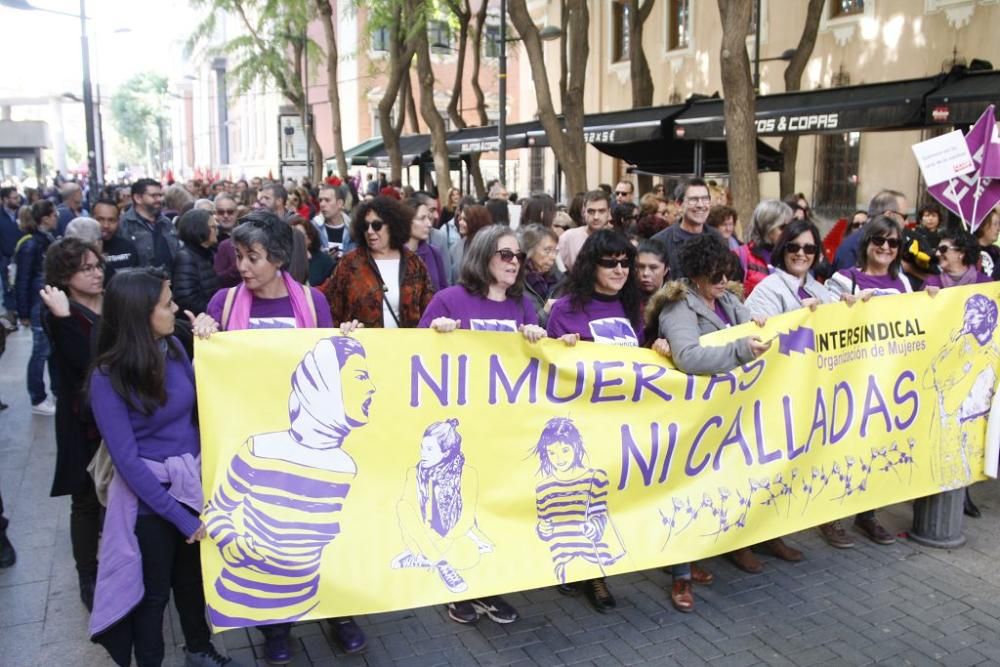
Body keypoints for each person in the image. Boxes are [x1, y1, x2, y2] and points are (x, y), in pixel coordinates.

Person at [87, 268, 238, 667]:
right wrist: (180, 517)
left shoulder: (173, 347)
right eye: (167, 302)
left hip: (190, 489)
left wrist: (210, 336)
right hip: (150, 504)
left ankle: (200, 651)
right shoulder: (107, 377)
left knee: (191, 583)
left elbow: (199, 411)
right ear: (142, 313)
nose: (175, 308)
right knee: (152, 597)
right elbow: (128, 463)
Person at [417, 225, 545, 626]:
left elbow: (543, 362)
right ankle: (460, 591)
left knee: (496, 510)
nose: (514, 262)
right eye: (505, 254)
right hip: (462, 430)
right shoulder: (449, 300)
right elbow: (413, 357)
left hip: (506, 431)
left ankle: (490, 586)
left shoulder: (523, 306)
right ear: (484, 255)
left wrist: (539, 338)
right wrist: (436, 336)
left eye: (518, 256)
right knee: (460, 511)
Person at [645, 233, 771, 611]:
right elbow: (689, 357)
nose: (721, 281)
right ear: (697, 274)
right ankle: (680, 574)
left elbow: (750, 326)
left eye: (726, 274)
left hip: (728, 412)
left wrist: (762, 324)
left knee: (722, 484)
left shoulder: (728, 299)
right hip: (692, 419)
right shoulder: (678, 308)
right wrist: (740, 350)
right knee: (687, 490)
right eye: (714, 275)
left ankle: (719, 548)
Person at [544, 229, 642, 613]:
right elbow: (550, 371)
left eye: (625, 262)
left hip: (621, 423)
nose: (620, 269)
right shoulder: (566, 309)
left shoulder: (632, 305)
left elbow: (644, 358)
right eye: (610, 262)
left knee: (605, 502)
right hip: (580, 425)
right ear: (591, 266)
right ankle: (590, 573)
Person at [824, 214, 910, 545]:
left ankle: (867, 515)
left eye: (893, 243)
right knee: (841, 448)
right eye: (879, 240)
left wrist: (932, 299)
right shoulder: (845, 280)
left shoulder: (903, 284)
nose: (886, 247)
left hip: (886, 379)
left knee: (876, 449)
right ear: (867, 243)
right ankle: (830, 516)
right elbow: (825, 330)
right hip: (849, 380)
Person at [38, 238, 105, 610]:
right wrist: (64, 319)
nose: (96, 273)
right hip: (82, 419)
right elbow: (83, 362)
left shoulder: (111, 301)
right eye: (86, 268)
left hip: (119, 412)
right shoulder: (57, 311)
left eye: (97, 265)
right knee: (86, 499)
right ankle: (88, 574)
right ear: (66, 275)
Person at [325, 196, 433, 328]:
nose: (370, 231)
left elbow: (428, 310)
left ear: (392, 226)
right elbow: (331, 309)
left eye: (377, 225)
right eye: (366, 226)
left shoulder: (414, 263)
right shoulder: (350, 263)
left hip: (405, 346)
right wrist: (344, 327)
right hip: (362, 346)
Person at [16, 200, 58, 415]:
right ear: (45, 218)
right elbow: (22, 279)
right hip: (37, 303)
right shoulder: (32, 244)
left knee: (48, 350)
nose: (57, 218)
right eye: (54, 215)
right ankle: (37, 397)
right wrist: (22, 312)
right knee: (40, 352)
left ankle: (52, 392)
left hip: (44, 302)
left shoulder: (45, 240)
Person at [650, 178, 725, 279]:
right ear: (679, 204)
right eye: (693, 200)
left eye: (705, 199)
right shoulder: (660, 242)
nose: (701, 205)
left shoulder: (717, 237)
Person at [833, 189, 908, 271]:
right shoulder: (856, 245)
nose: (907, 222)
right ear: (888, 215)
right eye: (904, 217)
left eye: (892, 243)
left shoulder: (862, 238)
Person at [120, 178, 180, 275]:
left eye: (160, 195)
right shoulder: (125, 224)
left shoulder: (166, 223)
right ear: (138, 198)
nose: (159, 199)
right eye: (154, 196)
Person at [736, 199, 793, 297]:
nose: (788, 232)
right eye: (782, 227)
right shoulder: (740, 256)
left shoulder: (792, 255)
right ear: (767, 227)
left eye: (790, 227)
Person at [172, 209, 221, 316]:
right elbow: (186, 299)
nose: (217, 230)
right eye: (213, 227)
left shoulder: (207, 254)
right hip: (197, 322)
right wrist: (214, 311)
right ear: (200, 229)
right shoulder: (186, 257)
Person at [557, 190, 612, 271]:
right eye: (591, 211)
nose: (596, 217)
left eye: (601, 211)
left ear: (609, 212)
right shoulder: (568, 238)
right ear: (584, 212)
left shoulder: (617, 239)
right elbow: (558, 268)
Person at [519, 224, 562, 327]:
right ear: (530, 250)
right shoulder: (515, 282)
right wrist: (546, 311)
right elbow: (521, 325)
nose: (553, 256)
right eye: (547, 250)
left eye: (555, 251)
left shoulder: (560, 279)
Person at [93, 197, 140, 283]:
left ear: (118, 221)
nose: (106, 225)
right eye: (100, 219)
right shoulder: (82, 251)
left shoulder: (128, 248)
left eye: (111, 220)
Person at [407, 197, 448, 292]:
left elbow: (443, 289)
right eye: (422, 218)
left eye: (429, 218)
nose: (429, 224)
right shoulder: (395, 255)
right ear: (407, 220)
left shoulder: (434, 253)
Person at [449, 202, 492, 284]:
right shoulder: (456, 247)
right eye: (460, 219)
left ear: (476, 221)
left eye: (465, 220)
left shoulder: (490, 246)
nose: (460, 223)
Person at [290, 215, 335, 287]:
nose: (294, 238)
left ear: (310, 239)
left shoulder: (325, 262)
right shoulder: (284, 260)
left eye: (299, 235)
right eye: (291, 234)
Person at [312, 183, 354, 259]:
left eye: (327, 200)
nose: (322, 204)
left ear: (340, 203)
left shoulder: (353, 229)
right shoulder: (313, 228)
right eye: (320, 200)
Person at [0, 187, 21, 324]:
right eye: (14, 198)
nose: (17, 200)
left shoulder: (22, 213)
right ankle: (11, 317)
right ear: (5, 200)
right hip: (6, 258)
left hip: (22, 257)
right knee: (8, 288)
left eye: (17, 197)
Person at [636, 238, 669, 313]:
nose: (645, 273)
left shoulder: (676, 303)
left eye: (653, 267)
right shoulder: (625, 301)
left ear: (665, 270)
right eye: (640, 267)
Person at [976, 207, 1000, 280]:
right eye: (995, 224)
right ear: (983, 225)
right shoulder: (971, 252)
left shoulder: (997, 251)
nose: (998, 228)